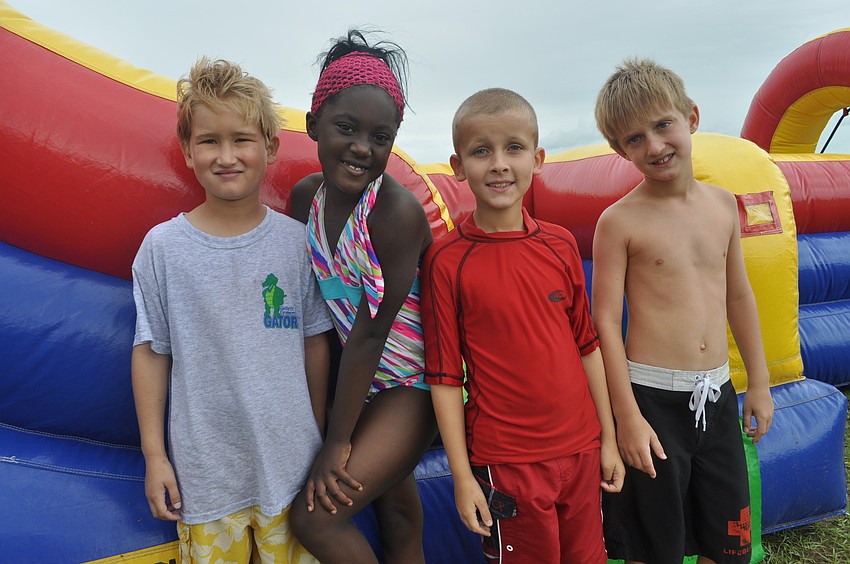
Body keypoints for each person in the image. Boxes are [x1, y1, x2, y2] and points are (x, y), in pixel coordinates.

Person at [131, 57, 332, 563]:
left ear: (270, 146)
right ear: (186, 149)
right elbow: (152, 352)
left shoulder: (296, 244)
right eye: (209, 141)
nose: (227, 156)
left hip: (291, 473)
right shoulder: (162, 248)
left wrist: (319, 434)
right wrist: (155, 456)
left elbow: (313, 342)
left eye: (241, 139)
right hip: (206, 478)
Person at [421, 87, 624, 564]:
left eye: (514, 147)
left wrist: (608, 439)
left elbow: (588, 347)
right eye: (480, 151)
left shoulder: (560, 245)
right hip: (506, 462)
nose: (498, 164)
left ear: (538, 159)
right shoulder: (447, 260)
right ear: (457, 165)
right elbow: (446, 378)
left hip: (580, 452)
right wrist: (463, 476)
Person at [592, 58, 775, 564]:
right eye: (634, 138)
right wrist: (626, 417)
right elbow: (604, 320)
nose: (653, 146)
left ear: (690, 117)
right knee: (658, 547)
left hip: (716, 396)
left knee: (729, 541)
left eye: (663, 125)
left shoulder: (722, 206)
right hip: (653, 403)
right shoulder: (619, 221)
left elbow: (738, 296)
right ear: (618, 150)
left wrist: (757, 381)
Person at [287, 30, 437, 564]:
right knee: (395, 514)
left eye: (381, 136)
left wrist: (336, 442)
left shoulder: (393, 215)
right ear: (313, 125)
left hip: (407, 386)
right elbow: (316, 313)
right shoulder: (305, 198)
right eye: (346, 128)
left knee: (314, 519)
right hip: (356, 382)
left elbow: (373, 333)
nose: (361, 148)